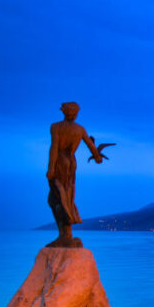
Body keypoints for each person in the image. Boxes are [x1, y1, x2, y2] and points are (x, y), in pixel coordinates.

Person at [46, 102, 103, 247]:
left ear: (64, 112)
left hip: (60, 162)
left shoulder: (56, 127)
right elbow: (91, 146)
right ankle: (67, 233)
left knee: (56, 199)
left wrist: (51, 168)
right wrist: (97, 156)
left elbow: (54, 148)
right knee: (67, 196)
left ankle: (64, 234)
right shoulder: (80, 129)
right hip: (71, 163)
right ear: (76, 113)